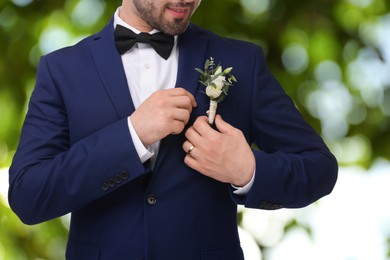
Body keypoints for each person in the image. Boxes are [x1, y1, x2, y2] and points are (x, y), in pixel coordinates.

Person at [8, 0, 338, 259]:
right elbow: (28, 195)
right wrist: (132, 135)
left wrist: (247, 169)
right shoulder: (61, 70)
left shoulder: (242, 61)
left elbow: (319, 168)